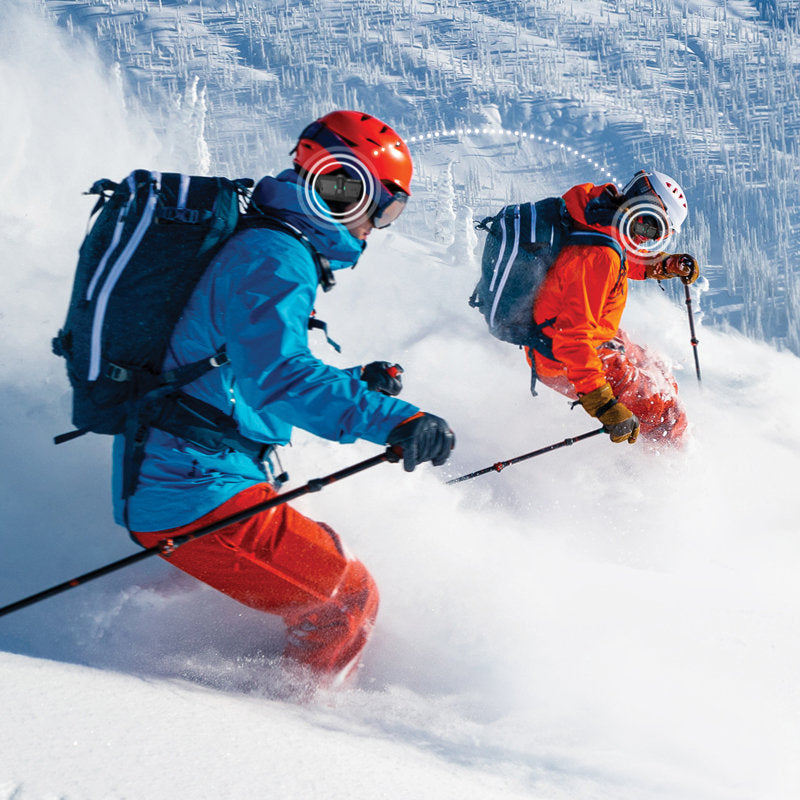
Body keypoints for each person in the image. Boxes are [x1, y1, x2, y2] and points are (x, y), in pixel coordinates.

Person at [112, 110, 455, 687]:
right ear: (344, 187)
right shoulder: (274, 257)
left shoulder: (270, 243)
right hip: (192, 488)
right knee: (347, 601)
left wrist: (354, 384)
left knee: (329, 564)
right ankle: (284, 727)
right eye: (382, 207)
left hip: (194, 473)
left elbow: (239, 369)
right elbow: (278, 377)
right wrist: (397, 420)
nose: (377, 226)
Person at [528, 170, 699, 445]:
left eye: (655, 234)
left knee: (656, 367)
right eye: (651, 228)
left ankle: (654, 435)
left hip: (581, 333)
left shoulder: (594, 213)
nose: (645, 238)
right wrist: (604, 404)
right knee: (667, 415)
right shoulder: (598, 255)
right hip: (563, 355)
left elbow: (620, 251)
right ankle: (668, 469)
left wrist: (665, 264)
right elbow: (572, 341)